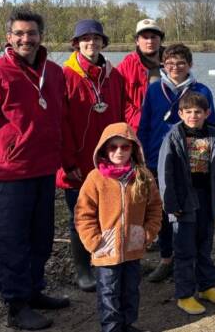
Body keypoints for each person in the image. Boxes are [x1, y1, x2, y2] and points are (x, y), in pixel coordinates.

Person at [0, 9, 69, 330]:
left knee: (41, 236)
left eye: (31, 33)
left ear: (40, 36)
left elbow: (58, 117)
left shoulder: (55, 73)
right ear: (9, 37)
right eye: (19, 33)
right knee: (11, 240)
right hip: (12, 174)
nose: (25, 39)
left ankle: (34, 291)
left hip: (45, 169)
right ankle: (16, 305)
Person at [138, 43, 215, 283]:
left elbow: (211, 126)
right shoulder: (154, 90)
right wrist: (139, 155)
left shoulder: (202, 90)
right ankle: (166, 259)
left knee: (190, 210)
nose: (175, 67)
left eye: (181, 63)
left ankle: (190, 258)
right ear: (163, 64)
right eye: (170, 63)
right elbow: (145, 124)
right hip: (157, 159)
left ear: (190, 65)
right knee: (163, 210)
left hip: (192, 160)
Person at [58, 19, 126, 293]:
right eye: (85, 38)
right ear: (76, 43)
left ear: (103, 42)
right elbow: (60, 123)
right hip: (77, 162)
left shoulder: (113, 75)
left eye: (96, 38)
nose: (92, 43)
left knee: (108, 212)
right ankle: (83, 269)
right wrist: (68, 162)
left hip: (109, 161)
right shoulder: (64, 75)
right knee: (81, 216)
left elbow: (121, 116)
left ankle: (105, 259)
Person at [74, 123, 162, 331]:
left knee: (131, 290)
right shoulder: (95, 179)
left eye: (125, 147)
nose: (119, 152)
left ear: (133, 149)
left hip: (133, 246)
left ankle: (127, 324)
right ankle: (112, 328)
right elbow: (83, 214)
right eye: (113, 147)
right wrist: (94, 241)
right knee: (109, 292)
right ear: (104, 149)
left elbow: (155, 208)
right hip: (106, 249)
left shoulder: (143, 176)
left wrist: (146, 234)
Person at [158, 92, 215, 314]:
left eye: (198, 112)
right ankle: (185, 294)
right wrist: (171, 204)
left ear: (207, 113)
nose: (193, 116)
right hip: (183, 202)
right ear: (180, 113)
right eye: (188, 112)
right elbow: (165, 174)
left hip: (207, 199)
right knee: (184, 249)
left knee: (204, 245)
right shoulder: (173, 137)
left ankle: (207, 286)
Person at [118, 19, 165, 131]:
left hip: (166, 129)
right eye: (145, 37)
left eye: (153, 37)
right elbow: (119, 101)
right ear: (137, 41)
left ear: (160, 40)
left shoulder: (173, 63)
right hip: (136, 129)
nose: (149, 41)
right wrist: (140, 120)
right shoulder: (126, 66)